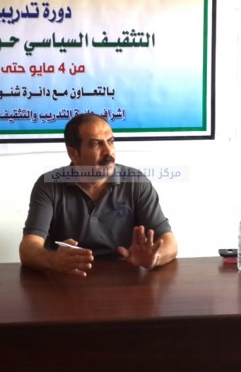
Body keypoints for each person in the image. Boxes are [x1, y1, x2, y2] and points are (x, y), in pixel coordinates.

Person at [19, 113, 178, 277]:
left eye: (111, 141)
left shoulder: (136, 182)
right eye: (96, 144)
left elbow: (170, 243)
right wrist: (53, 260)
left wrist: (154, 258)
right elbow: (28, 248)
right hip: (68, 280)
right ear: (73, 154)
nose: (109, 152)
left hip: (123, 280)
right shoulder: (48, 185)